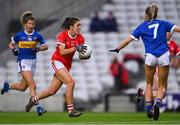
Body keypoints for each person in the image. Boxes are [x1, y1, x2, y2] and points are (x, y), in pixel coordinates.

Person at [109, 4, 180, 120]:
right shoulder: (163, 23)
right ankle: (157, 103)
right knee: (162, 87)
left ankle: (148, 107)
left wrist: (117, 48)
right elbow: (178, 29)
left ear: (146, 14)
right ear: (156, 14)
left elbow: (128, 40)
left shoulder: (142, 26)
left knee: (149, 84)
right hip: (163, 55)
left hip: (150, 56)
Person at [25, 17, 88, 118]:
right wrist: (75, 48)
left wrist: (85, 55)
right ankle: (71, 110)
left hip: (67, 66)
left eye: (80, 25)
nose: (80, 27)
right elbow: (62, 52)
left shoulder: (80, 38)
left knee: (51, 91)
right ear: (71, 27)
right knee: (71, 82)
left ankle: (33, 99)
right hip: (57, 61)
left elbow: (81, 54)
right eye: (78, 25)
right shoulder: (62, 35)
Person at [1, 11, 48, 116]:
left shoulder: (37, 35)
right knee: (33, 85)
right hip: (23, 61)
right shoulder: (19, 35)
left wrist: (38, 49)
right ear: (25, 24)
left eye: (33, 24)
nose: (31, 26)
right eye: (29, 24)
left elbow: (46, 46)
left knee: (23, 87)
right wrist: (14, 50)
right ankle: (38, 107)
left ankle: (7, 86)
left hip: (32, 62)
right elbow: (11, 44)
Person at [136, 39, 180, 104]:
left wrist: (174, 60)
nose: (169, 33)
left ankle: (142, 93)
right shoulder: (159, 41)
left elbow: (176, 55)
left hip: (165, 69)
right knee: (159, 90)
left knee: (163, 93)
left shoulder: (173, 43)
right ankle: (154, 108)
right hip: (157, 67)